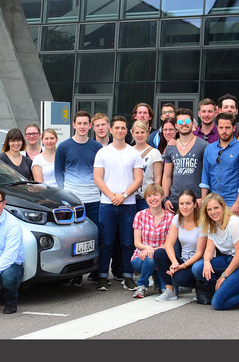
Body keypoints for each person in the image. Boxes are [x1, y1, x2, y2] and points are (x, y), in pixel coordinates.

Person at [92, 115, 145, 291]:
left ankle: (128, 276)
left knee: (128, 242)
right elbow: (97, 178)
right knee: (106, 242)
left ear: (127, 130)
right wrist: (111, 195)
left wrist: (123, 195)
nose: (120, 131)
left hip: (128, 204)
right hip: (106, 204)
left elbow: (138, 179)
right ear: (111, 129)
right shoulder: (103, 152)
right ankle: (102, 276)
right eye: (117, 128)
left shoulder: (134, 153)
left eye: (123, 128)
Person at [54, 110, 103, 281]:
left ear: (90, 126)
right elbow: (58, 173)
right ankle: (76, 274)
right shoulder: (64, 147)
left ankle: (96, 272)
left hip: (94, 199)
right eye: (79, 123)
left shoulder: (97, 148)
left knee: (97, 235)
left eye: (85, 123)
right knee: (74, 239)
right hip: (73, 203)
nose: (82, 127)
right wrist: (66, 195)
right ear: (73, 125)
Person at [153, 189, 205, 302]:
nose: (184, 207)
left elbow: (200, 253)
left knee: (180, 278)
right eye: (181, 204)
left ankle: (198, 287)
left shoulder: (202, 222)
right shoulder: (177, 218)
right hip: (182, 261)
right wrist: (175, 262)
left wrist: (183, 266)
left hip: (198, 264)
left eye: (188, 203)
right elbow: (169, 245)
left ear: (195, 204)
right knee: (159, 253)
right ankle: (170, 291)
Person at [199, 112, 239, 215]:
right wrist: (203, 202)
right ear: (217, 128)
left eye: (227, 128)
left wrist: (238, 202)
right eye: (221, 127)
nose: (224, 131)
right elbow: (205, 177)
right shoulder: (209, 149)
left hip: (233, 202)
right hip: (213, 202)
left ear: (233, 128)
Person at [162, 108, 207, 213]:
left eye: (187, 121)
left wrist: (203, 198)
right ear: (176, 126)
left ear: (193, 124)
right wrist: (165, 197)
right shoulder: (171, 147)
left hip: (196, 200)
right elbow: (167, 176)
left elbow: (207, 174)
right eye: (180, 122)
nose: (184, 124)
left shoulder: (203, 146)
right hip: (175, 200)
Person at [130, 183, 172, 298]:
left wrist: (152, 250)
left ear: (162, 196)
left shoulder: (170, 218)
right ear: (145, 199)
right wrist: (146, 248)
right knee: (150, 258)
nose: (152, 198)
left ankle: (157, 279)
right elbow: (137, 242)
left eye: (155, 195)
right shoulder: (140, 215)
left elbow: (168, 244)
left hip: (160, 256)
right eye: (149, 196)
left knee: (164, 289)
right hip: (140, 256)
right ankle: (142, 285)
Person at [131, 119, 163, 211]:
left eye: (142, 132)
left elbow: (157, 178)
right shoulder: (128, 151)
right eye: (137, 132)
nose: (140, 135)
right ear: (132, 133)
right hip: (130, 197)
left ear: (147, 133)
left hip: (147, 198)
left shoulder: (154, 152)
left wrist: (155, 196)